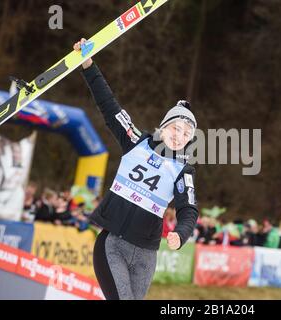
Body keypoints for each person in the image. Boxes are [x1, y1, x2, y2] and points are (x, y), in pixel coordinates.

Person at [74, 38, 199, 300]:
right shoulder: (135, 141)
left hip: (146, 255)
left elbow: (188, 209)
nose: (179, 136)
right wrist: (88, 65)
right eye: (176, 128)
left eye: (186, 134)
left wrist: (181, 233)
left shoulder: (182, 170)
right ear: (164, 126)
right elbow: (110, 108)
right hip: (113, 245)